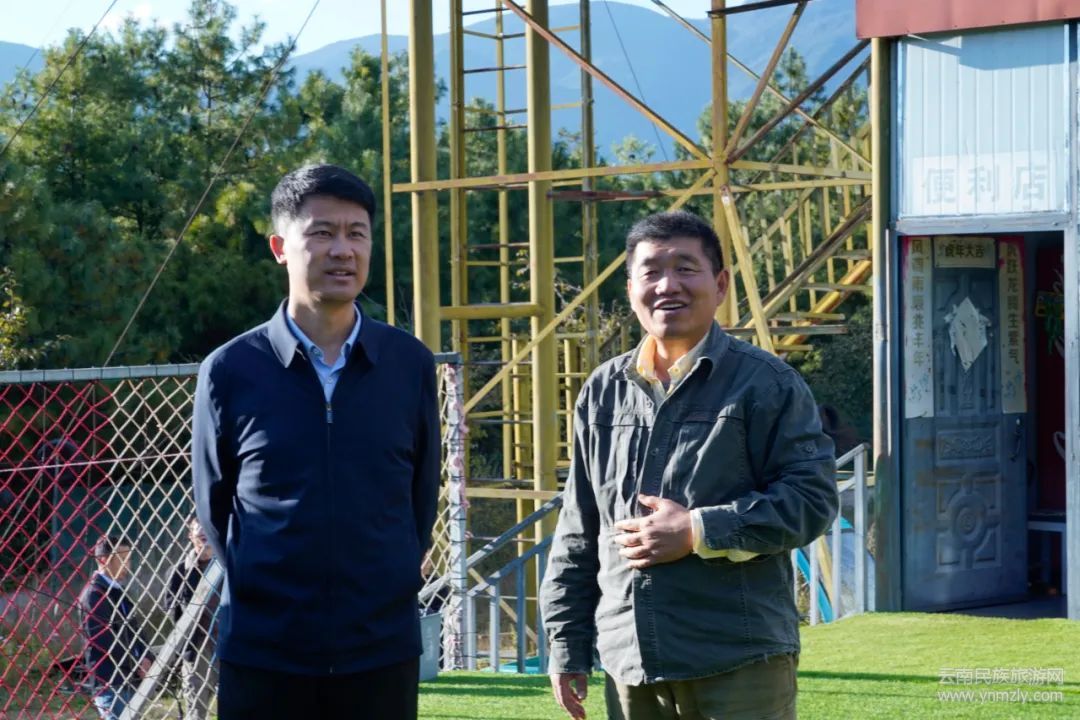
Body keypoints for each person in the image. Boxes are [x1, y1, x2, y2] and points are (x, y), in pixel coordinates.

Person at [540, 210, 839, 720]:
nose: (667, 285)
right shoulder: (603, 391)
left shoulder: (766, 384)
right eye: (651, 272)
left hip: (738, 661)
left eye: (685, 268)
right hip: (629, 663)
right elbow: (579, 528)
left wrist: (698, 530)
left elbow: (812, 501)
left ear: (720, 284)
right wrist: (566, 642)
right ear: (630, 288)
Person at [191, 163, 441, 719]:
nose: (342, 250)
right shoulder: (230, 370)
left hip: (381, 653)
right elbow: (215, 508)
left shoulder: (408, 364)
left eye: (357, 233)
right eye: (322, 233)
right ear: (280, 247)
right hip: (264, 654)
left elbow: (421, 499)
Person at [78, 535, 153, 720]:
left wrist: (146, 656)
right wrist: (137, 662)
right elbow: (104, 641)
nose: (127, 564)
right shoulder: (93, 595)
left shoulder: (117, 591)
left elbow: (135, 630)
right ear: (103, 560)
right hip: (110, 682)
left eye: (129, 558)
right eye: (122, 558)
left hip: (129, 679)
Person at [165, 515, 219, 720]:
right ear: (190, 535)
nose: (203, 532)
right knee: (196, 709)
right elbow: (171, 609)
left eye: (207, 527)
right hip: (197, 649)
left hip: (226, 644)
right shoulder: (178, 572)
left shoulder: (227, 565)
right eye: (198, 528)